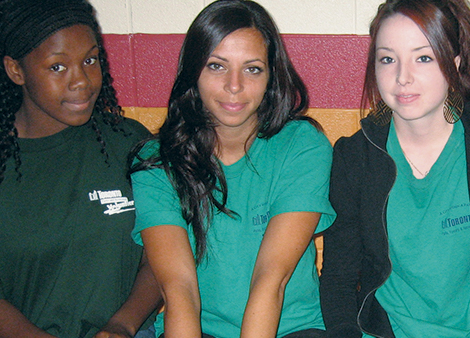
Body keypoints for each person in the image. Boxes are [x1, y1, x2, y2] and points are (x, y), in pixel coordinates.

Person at [0, 0, 162, 337]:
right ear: (16, 70)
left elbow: (163, 254)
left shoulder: (129, 144)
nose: (82, 81)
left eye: (90, 60)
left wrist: (122, 325)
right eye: (58, 67)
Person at [318, 0, 470, 337]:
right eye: (388, 59)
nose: (403, 77)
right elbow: (338, 279)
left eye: (423, 57)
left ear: (455, 62)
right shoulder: (354, 157)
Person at [129, 0, 334, 337]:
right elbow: (179, 290)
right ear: (194, 71)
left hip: (292, 329)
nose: (234, 85)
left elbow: (272, 279)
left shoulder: (301, 146)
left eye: (252, 68)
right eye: (217, 66)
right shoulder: (158, 160)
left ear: (271, 75)